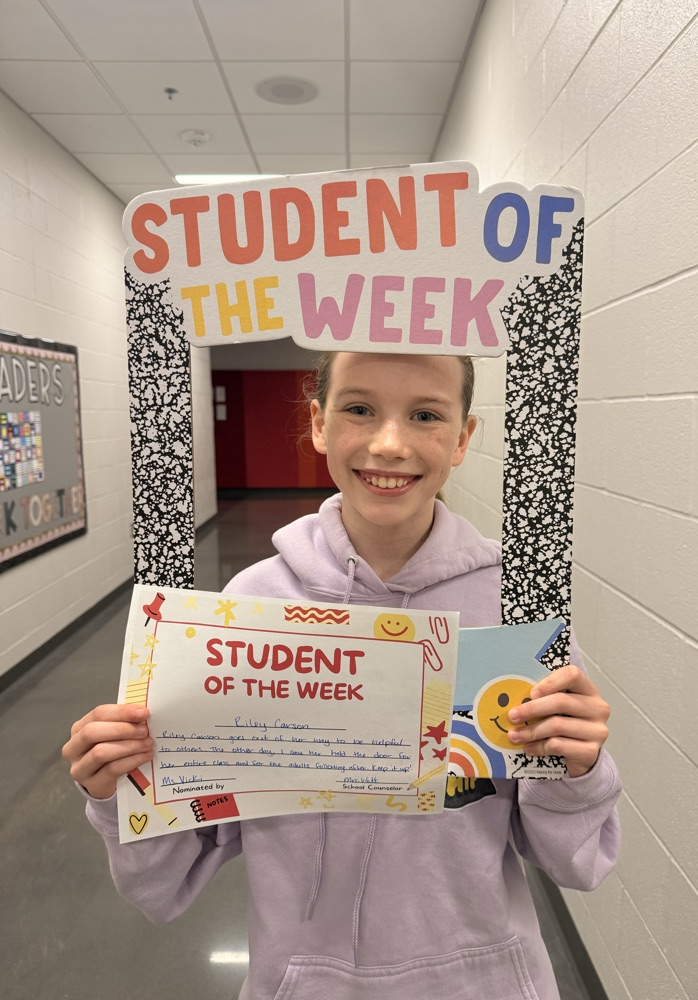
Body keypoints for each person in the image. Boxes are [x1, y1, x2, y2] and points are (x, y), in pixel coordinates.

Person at [63, 352, 620, 1000]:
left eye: (425, 414)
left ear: (464, 437)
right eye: (359, 409)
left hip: (485, 982)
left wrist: (577, 772)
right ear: (319, 423)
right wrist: (122, 788)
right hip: (300, 982)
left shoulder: (514, 613)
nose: (390, 443)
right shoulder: (249, 609)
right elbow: (165, 880)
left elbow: (575, 862)